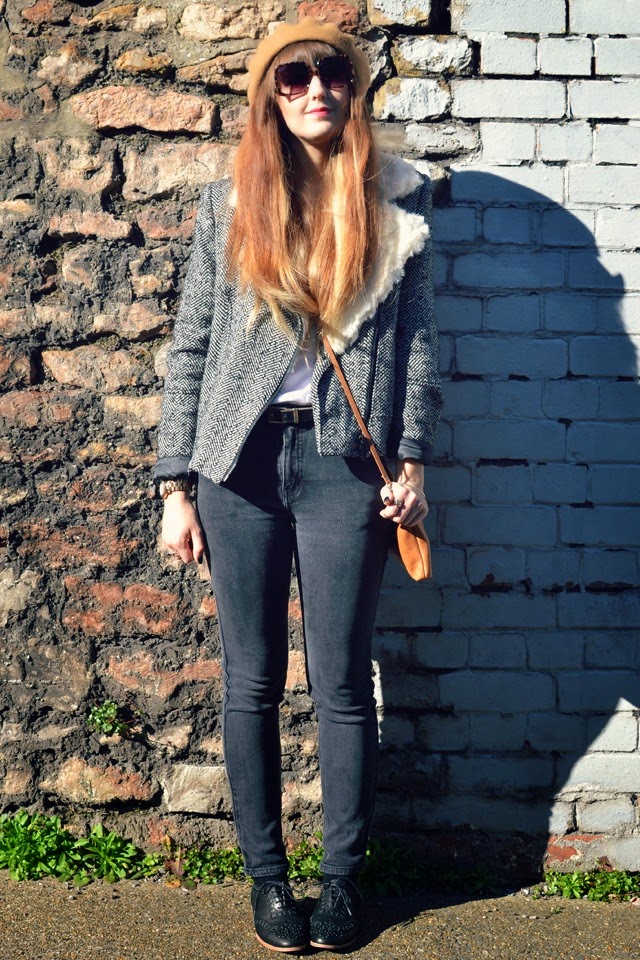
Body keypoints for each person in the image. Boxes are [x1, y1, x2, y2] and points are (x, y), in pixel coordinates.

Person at [153, 17, 442, 953]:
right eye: (294, 76)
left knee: (343, 682)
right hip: (237, 464)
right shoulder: (228, 206)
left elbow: (420, 349)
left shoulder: (395, 211)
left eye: (333, 74)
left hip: (342, 467)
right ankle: (268, 882)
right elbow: (191, 346)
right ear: (269, 97)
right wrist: (175, 485)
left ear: (354, 92)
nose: (316, 88)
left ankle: (344, 884)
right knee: (251, 681)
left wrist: (412, 464)